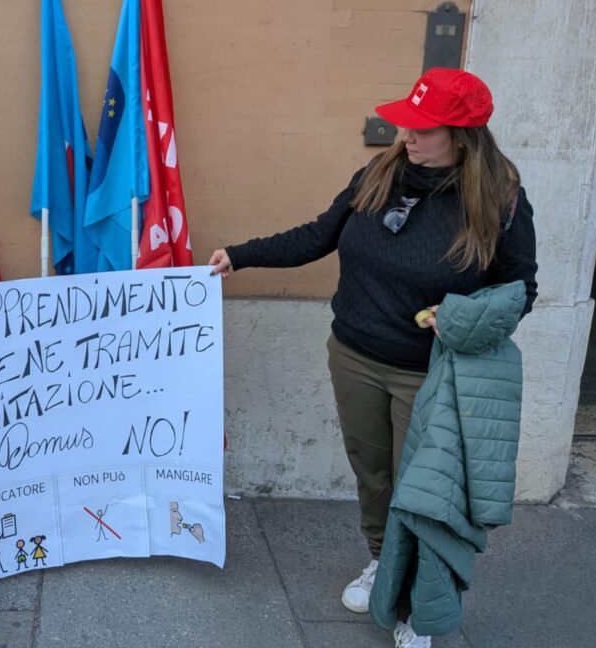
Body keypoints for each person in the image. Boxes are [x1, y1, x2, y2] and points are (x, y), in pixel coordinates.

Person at [209, 67, 537, 648]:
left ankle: (415, 606)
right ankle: (383, 563)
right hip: (354, 356)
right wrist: (239, 255)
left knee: (423, 492)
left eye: (422, 128)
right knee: (375, 476)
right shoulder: (377, 175)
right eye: (406, 122)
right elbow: (317, 235)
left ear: (462, 137)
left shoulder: (500, 200)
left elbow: (520, 290)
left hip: (427, 374)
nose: (406, 135)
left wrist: (461, 316)